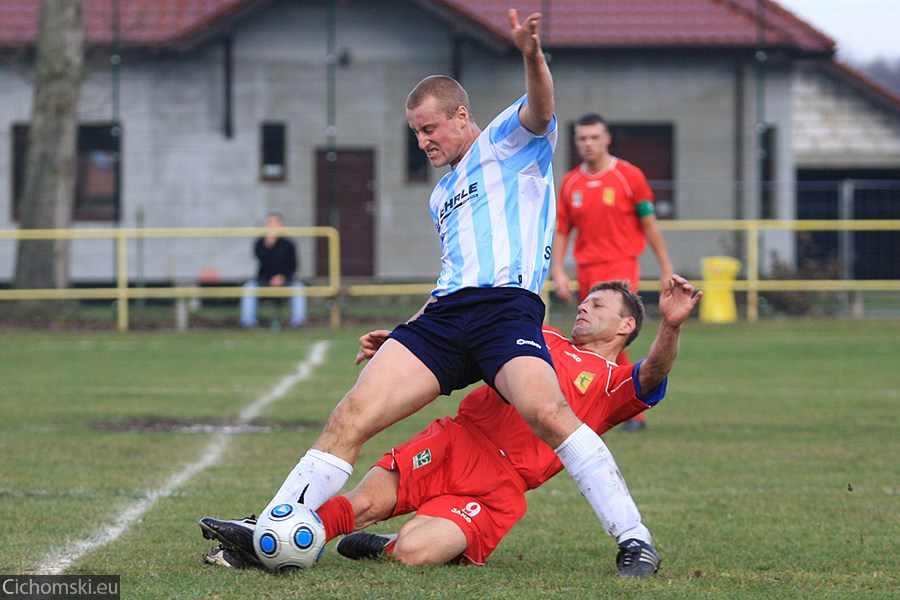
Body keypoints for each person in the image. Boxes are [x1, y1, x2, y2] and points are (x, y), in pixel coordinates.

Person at [202, 8, 646, 577]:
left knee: (549, 413)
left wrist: (533, 56)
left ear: (462, 116)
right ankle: (269, 533)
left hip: (504, 309)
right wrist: (404, 333)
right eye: (415, 132)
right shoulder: (440, 195)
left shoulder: (511, 145)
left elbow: (541, 107)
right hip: (442, 319)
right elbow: (452, 273)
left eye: (430, 128)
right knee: (350, 416)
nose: (423, 140)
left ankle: (634, 539)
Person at [200, 275, 703, 577]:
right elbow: (461, 340)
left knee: (415, 554)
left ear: (625, 326)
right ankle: (270, 537)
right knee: (363, 503)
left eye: (599, 306)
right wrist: (405, 346)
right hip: (456, 441)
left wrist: (673, 324)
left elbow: (656, 371)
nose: (585, 308)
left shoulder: (616, 382)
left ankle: (384, 547)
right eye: (586, 301)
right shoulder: (536, 334)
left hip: (499, 487)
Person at [552, 113, 675, 431]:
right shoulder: (570, 183)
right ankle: (595, 403)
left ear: (606, 139)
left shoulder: (628, 176)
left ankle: (634, 412)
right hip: (587, 270)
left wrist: (666, 268)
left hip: (621, 267)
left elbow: (649, 224)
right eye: (582, 138)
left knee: (613, 335)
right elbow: (563, 230)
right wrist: (559, 271)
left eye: (594, 137)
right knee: (589, 341)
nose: (588, 143)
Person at [239, 212, 307, 328]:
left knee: (299, 287)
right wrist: (268, 245)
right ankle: (248, 322)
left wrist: (282, 277)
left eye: (275, 223)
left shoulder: (289, 244)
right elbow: (262, 259)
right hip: (264, 279)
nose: (272, 226)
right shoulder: (260, 243)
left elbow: (293, 265)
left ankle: (298, 322)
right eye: (269, 223)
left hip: (286, 280)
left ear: (281, 226)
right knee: (249, 287)